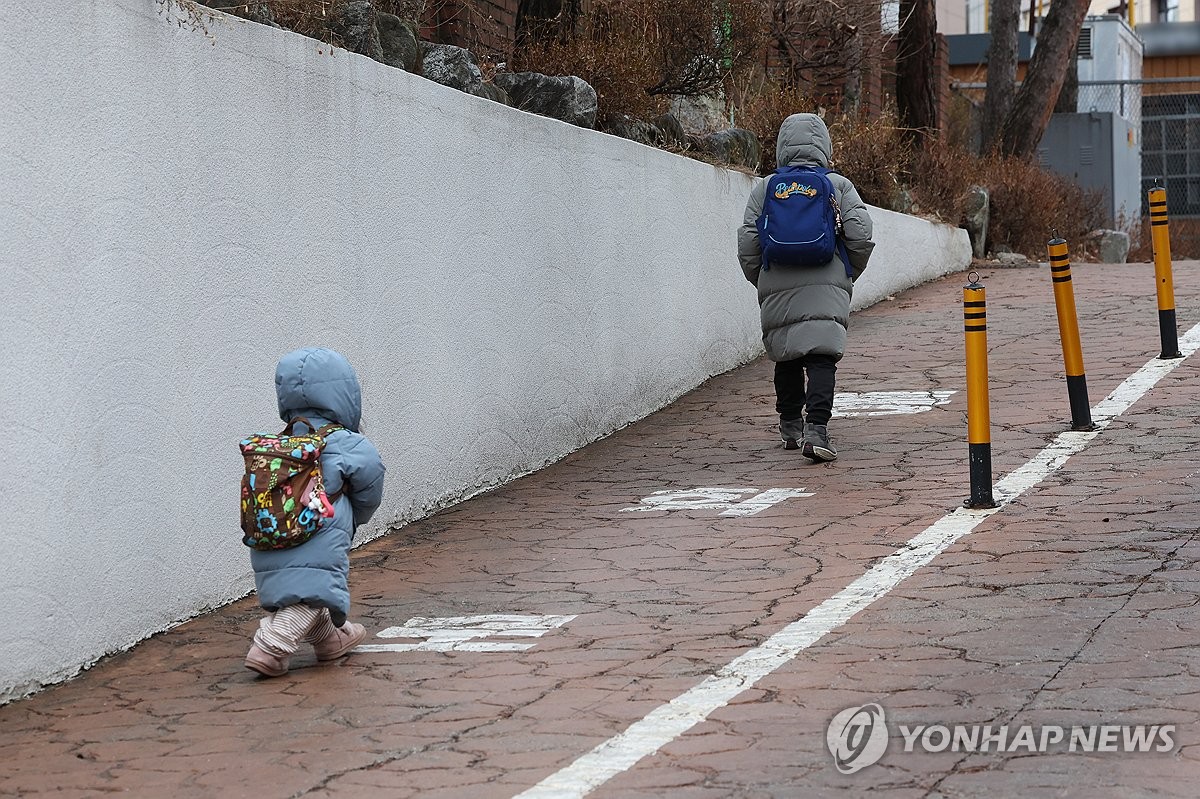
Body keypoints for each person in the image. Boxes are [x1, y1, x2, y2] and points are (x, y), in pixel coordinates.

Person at [737, 112, 875, 462]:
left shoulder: (766, 188)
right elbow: (860, 234)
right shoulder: (838, 185)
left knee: (786, 355)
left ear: (782, 147)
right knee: (821, 357)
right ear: (824, 147)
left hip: (777, 280)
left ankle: (789, 425)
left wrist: (764, 280)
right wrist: (846, 273)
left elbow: (749, 243)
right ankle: (816, 429)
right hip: (827, 280)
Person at [245, 347, 386, 677]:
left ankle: (331, 638)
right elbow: (371, 484)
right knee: (307, 595)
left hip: (271, 535)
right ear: (345, 395)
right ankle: (270, 645)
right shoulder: (347, 442)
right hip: (320, 530)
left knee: (305, 588)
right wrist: (354, 515)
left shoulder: (278, 446)